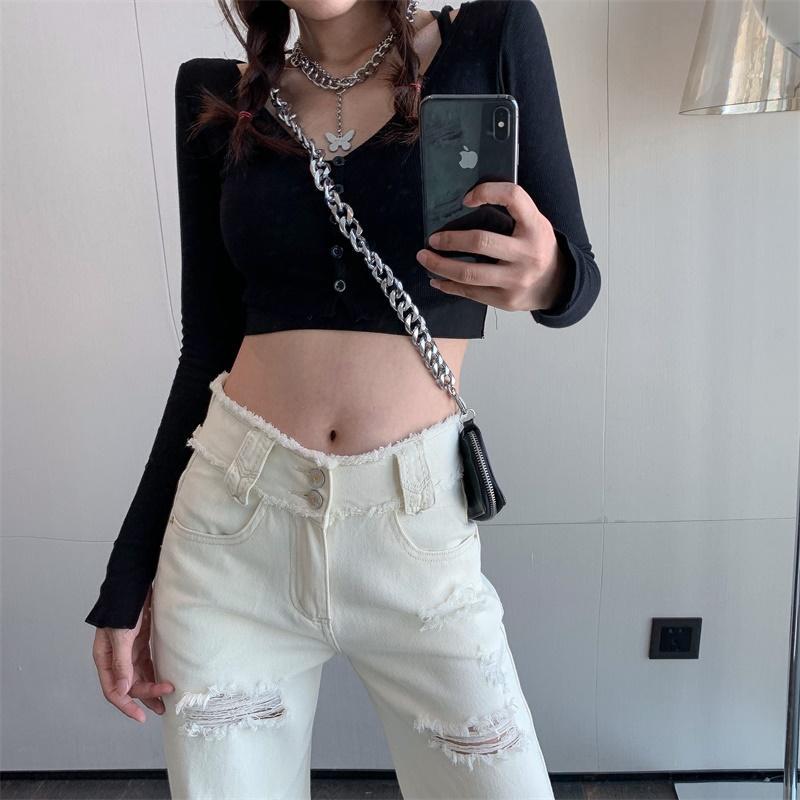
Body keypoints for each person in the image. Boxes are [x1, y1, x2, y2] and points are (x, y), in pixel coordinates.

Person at [86, 0, 600, 797]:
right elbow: (205, 350)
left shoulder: (488, 37)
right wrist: (127, 577)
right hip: (230, 537)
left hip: (414, 528)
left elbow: (579, 280)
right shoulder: (218, 97)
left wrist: (548, 277)